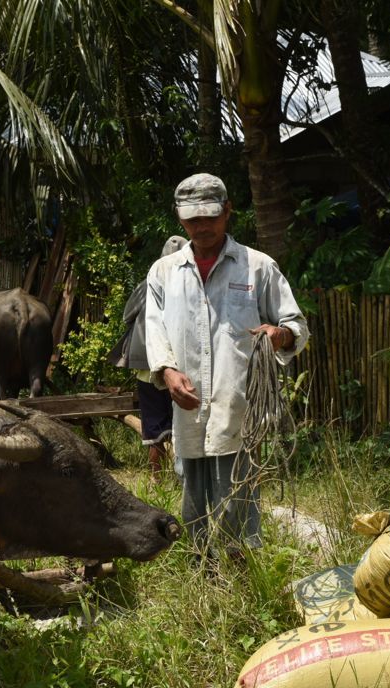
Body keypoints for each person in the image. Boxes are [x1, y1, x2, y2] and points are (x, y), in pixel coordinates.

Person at [144, 173, 308, 558]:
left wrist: (278, 335)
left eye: (210, 217)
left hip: (240, 409)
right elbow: (154, 331)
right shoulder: (163, 272)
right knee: (191, 495)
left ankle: (239, 570)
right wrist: (167, 371)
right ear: (179, 217)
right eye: (192, 219)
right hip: (187, 408)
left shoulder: (258, 267)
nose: (201, 226)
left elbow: (296, 325)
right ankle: (201, 570)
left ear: (228, 212)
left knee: (238, 496)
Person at [109, 236, 187, 475]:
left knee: (154, 429)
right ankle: (183, 480)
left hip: (147, 367)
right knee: (182, 427)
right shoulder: (190, 283)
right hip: (180, 368)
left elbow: (127, 315)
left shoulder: (148, 281)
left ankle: (157, 480)